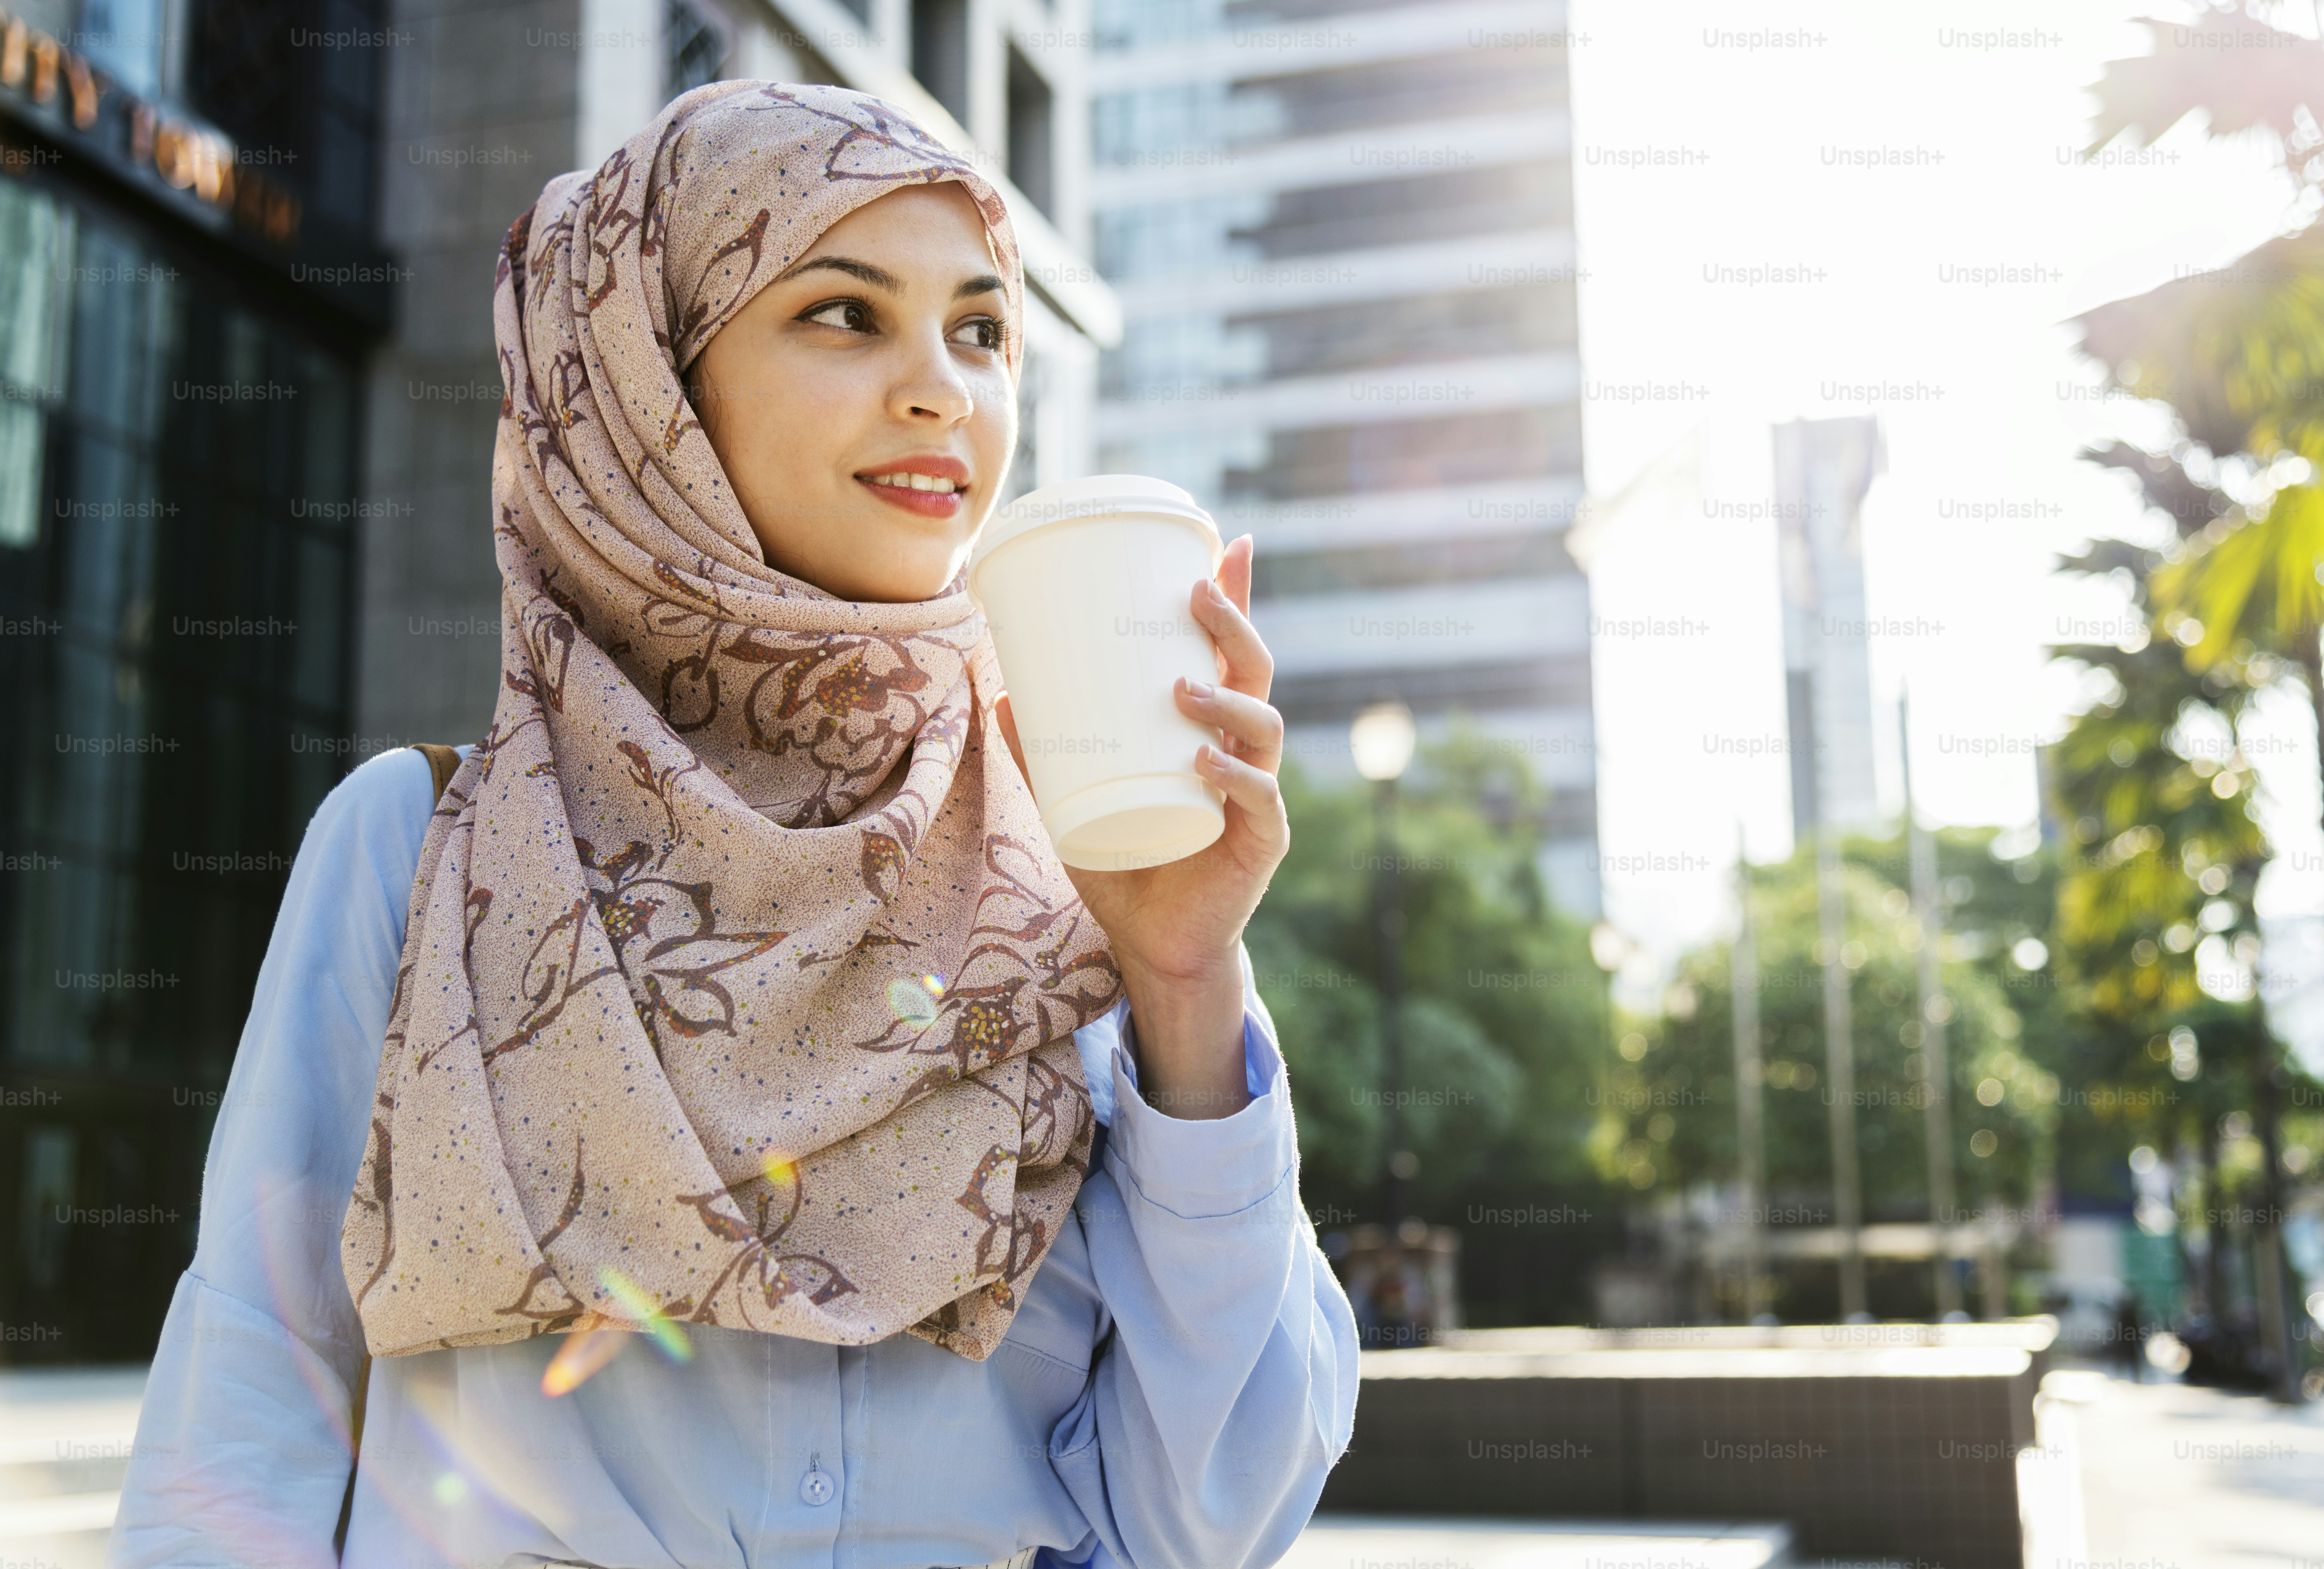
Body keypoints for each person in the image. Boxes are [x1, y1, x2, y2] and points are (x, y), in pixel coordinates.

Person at [108, 82, 1357, 1569]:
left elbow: (1207, 1520)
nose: (942, 392)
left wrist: (1182, 982)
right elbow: (247, 1403)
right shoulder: (428, 844)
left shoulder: (1075, 865)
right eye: (844, 313)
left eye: (979, 329)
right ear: (652, 382)